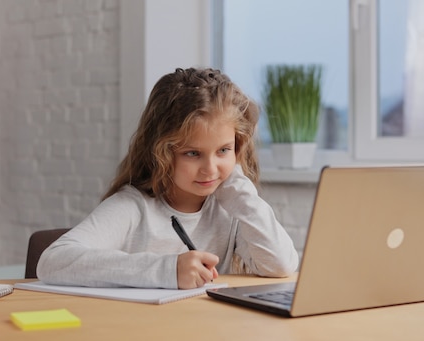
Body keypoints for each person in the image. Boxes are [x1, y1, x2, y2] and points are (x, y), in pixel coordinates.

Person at [36, 67, 299, 289]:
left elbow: (281, 265)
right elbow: (52, 261)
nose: (210, 168)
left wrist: (241, 192)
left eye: (223, 150)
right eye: (193, 153)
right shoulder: (133, 207)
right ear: (161, 152)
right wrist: (167, 270)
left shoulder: (232, 207)